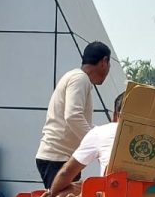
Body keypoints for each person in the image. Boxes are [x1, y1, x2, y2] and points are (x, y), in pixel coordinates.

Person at [35, 41, 112, 189]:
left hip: (59, 157)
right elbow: (73, 116)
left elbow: (76, 118)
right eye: (109, 65)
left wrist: (101, 135)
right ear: (104, 61)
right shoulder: (80, 78)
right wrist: (96, 141)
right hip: (57, 158)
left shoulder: (77, 78)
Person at [42, 92, 125, 197]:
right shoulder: (151, 136)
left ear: (115, 115)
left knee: (68, 194)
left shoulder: (100, 132)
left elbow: (66, 172)